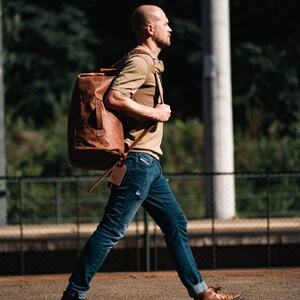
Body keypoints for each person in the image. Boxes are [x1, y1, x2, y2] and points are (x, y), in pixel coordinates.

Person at [61, 5, 243, 300]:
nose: (170, 28)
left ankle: (201, 292)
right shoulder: (140, 61)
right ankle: (75, 293)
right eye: (164, 23)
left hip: (148, 164)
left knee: (175, 223)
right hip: (138, 161)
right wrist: (154, 113)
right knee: (112, 230)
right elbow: (115, 96)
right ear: (149, 29)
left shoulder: (148, 63)